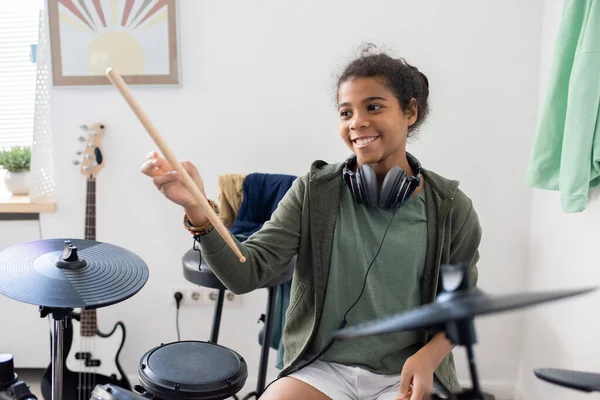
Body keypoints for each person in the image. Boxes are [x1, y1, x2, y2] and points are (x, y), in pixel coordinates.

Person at [140, 45, 482, 400]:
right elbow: (246, 274)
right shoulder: (314, 191)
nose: (357, 123)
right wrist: (198, 208)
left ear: (410, 111)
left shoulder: (450, 208)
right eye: (345, 112)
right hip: (323, 367)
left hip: (406, 372)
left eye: (374, 107)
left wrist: (428, 358)